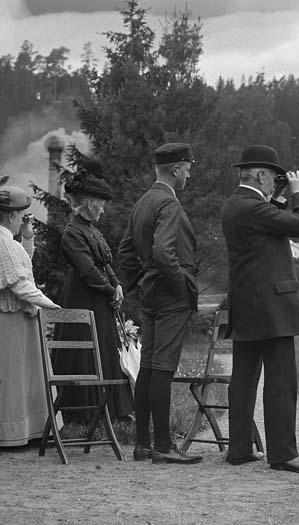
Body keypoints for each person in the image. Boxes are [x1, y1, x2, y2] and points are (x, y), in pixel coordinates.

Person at [221, 145, 299, 475]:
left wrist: (278, 196)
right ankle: (283, 454)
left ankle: (239, 448)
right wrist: (298, 192)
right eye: (273, 177)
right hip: (272, 306)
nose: (275, 182)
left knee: (244, 379)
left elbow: (270, 222)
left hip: (247, 305)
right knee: (280, 380)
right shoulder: (252, 207)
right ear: (261, 175)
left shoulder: (237, 204)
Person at [118, 143, 202, 465]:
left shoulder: (143, 203)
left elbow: (126, 253)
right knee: (163, 367)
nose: (189, 175)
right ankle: (164, 446)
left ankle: (142, 445)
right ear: (176, 169)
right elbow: (165, 252)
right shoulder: (169, 203)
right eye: (188, 169)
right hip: (170, 295)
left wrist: (140, 284)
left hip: (151, 294)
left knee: (149, 366)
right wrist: (180, 287)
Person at [0, 177, 61, 447]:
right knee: (9, 378)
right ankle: (6, 432)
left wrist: (27, 237)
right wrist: (51, 305)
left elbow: (20, 266)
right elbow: (20, 284)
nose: (22, 219)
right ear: (9, 216)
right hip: (5, 324)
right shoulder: (1, 243)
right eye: (20, 215)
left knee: (4, 377)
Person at [52, 172, 133, 423]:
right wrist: (110, 290)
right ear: (90, 203)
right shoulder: (71, 233)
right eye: (101, 204)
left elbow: (105, 263)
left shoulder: (91, 230)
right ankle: (83, 411)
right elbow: (87, 270)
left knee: (106, 345)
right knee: (85, 348)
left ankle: (113, 410)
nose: (103, 210)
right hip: (81, 297)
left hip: (99, 296)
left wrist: (117, 285)